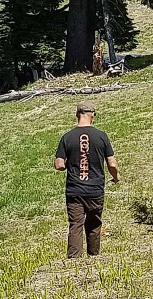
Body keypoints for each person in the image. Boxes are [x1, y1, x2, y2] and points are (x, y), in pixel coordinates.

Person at [54, 101, 119, 258]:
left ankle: (74, 260)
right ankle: (93, 257)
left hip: (74, 190)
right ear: (92, 115)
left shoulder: (67, 137)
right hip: (95, 190)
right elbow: (112, 164)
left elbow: (59, 165)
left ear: (77, 115)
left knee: (76, 225)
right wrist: (116, 177)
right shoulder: (101, 136)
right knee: (94, 224)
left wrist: (72, 164)